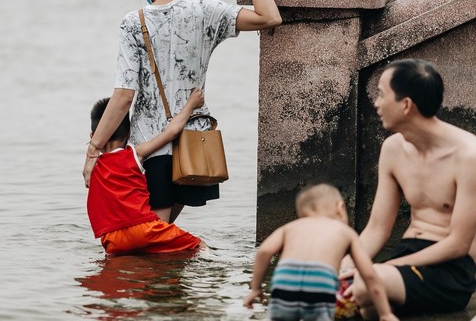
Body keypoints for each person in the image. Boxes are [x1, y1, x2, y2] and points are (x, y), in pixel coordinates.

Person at [82, 0, 282, 224]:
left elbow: (123, 97)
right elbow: (270, 17)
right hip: (195, 144)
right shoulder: (206, 11)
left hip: (153, 149)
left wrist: (94, 150)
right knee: (160, 240)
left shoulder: (134, 23)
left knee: (145, 245)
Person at [340, 58, 476, 318]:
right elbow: (377, 229)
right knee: (340, 281)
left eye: (381, 94)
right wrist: (346, 264)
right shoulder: (393, 149)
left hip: (451, 270)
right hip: (408, 255)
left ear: (406, 105)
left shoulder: (469, 156)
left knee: (365, 286)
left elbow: (459, 243)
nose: (376, 103)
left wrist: (381, 268)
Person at [243, 183, 398, 321]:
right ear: (340, 208)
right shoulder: (346, 232)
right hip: (320, 282)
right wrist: (384, 313)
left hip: (285, 281)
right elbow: (369, 274)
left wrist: (256, 288)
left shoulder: (290, 227)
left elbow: (263, 252)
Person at [86, 88, 208, 255]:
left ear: (93, 135)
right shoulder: (134, 154)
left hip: (111, 239)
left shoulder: (91, 168)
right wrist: (191, 105)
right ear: (129, 134)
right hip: (144, 230)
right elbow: (172, 132)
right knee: (199, 245)